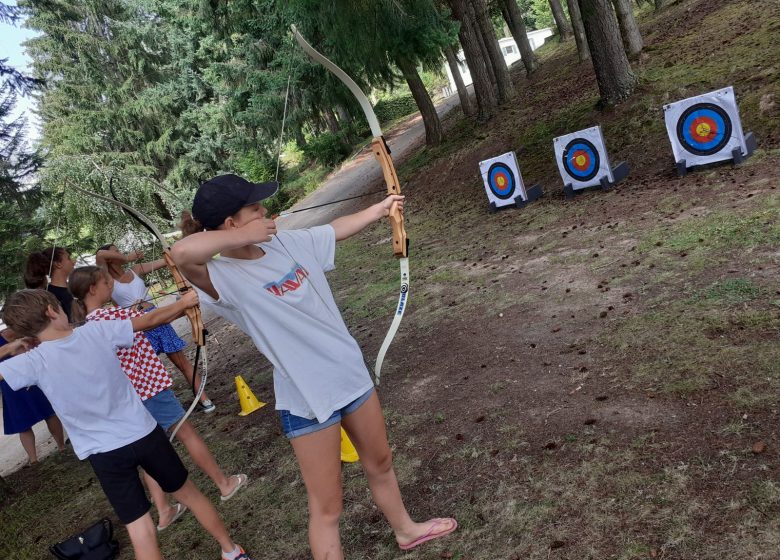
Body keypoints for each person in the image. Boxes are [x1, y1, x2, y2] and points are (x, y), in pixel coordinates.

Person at [171, 174, 457, 559]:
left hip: (350, 375)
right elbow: (182, 253)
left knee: (381, 462)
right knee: (327, 508)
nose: (265, 211)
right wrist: (242, 238)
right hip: (307, 398)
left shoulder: (286, 242)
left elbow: (333, 230)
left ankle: (405, 531)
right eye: (254, 208)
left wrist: (378, 209)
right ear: (230, 224)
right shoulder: (221, 278)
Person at [0, 289, 251, 560]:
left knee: (139, 524)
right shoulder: (96, 332)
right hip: (144, 434)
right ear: (51, 311)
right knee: (189, 494)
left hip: (103, 453)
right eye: (58, 308)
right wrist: (184, 303)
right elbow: (150, 319)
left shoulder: (30, 362)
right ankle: (232, 551)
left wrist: (10, 347)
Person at [69, 266, 248, 530]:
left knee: (149, 450)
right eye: (107, 282)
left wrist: (177, 305)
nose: (111, 286)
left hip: (128, 399)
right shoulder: (113, 316)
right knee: (186, 434)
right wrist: (185, 302)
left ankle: (164, 510)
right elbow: (153, 320)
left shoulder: (85, 329)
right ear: (93, 289)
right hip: (149, 390)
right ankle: (224, 483)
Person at [95, 244, 215, 413]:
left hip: (157, 318)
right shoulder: (106, 278)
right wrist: (128, 257)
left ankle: (204, 399)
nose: (120, 253)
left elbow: (167, 260)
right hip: (138, 326)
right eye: (116, 251)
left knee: (182, 362)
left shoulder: (135, 269)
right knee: (147, 371)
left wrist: (171, 252)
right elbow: (100, 254)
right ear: (109, 258)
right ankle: (161, 411)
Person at [0, 327, 67, 465]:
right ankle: (33, 460)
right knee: (22, 422)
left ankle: (62, 447)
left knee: (48, 412)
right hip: (8, 382)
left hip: (32, 373)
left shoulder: (25, 328)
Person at [24, 247, 77, 320]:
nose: (74, 261)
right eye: (68, 258)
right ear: (58, 264)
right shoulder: (52, 297)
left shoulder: (73, 288)